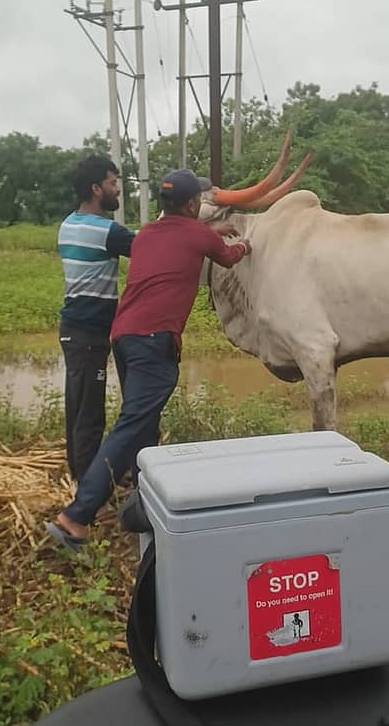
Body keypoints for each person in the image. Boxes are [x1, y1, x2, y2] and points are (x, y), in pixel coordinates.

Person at [46, 169, 251, 550]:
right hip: (154, 341)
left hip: (122, 335)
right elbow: (229, 257)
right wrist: (246, 243)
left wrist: (209, 235)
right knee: (134, 423)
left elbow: (183, 242)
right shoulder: (197, 233)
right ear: (193, 204)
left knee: (144, 425)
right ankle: (76, 516)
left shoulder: (146, 236)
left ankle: (144, 502)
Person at [57, 155, 135, 482]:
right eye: (112, 183)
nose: (118, 189)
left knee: (77, 408)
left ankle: (79, 477)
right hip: (89, 334)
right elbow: (150, 246)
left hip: (72, 330)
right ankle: (88, 497)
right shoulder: (106, 231)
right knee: (90, 416)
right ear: (96, 188)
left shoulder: (68, 224)